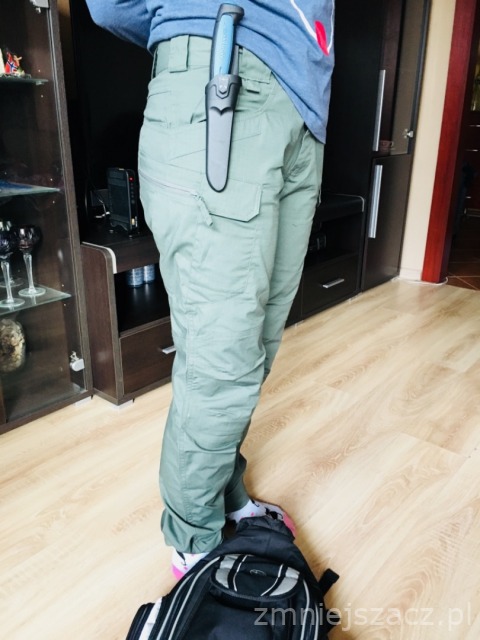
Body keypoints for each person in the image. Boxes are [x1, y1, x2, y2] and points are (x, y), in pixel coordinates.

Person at [85, 1, 335, 579]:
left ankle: (223, 494)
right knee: (223, 357)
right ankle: (193, 538)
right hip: (221, 76)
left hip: (302, 113)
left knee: (254, 346)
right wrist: (187, 20)